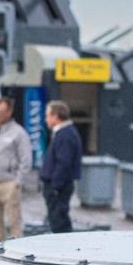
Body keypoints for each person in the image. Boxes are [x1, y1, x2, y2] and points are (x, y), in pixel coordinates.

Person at [0, 94, 33, 242]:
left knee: (13, 223)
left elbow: (26, 160)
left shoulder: (19, 133)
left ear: (9, 112)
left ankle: (17, 253)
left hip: (9, 184)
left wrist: (17, 182)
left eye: (0, 112)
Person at [40, 99, 83, 233]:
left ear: (56, 116)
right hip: (57, 186)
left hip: (58, 187)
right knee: (58, 220)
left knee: (59, 223)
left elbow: (64, 163)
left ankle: (64, 251)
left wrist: (55, 187)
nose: (45, 119)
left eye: (47, 115)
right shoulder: (63, 132)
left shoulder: (65, 134)